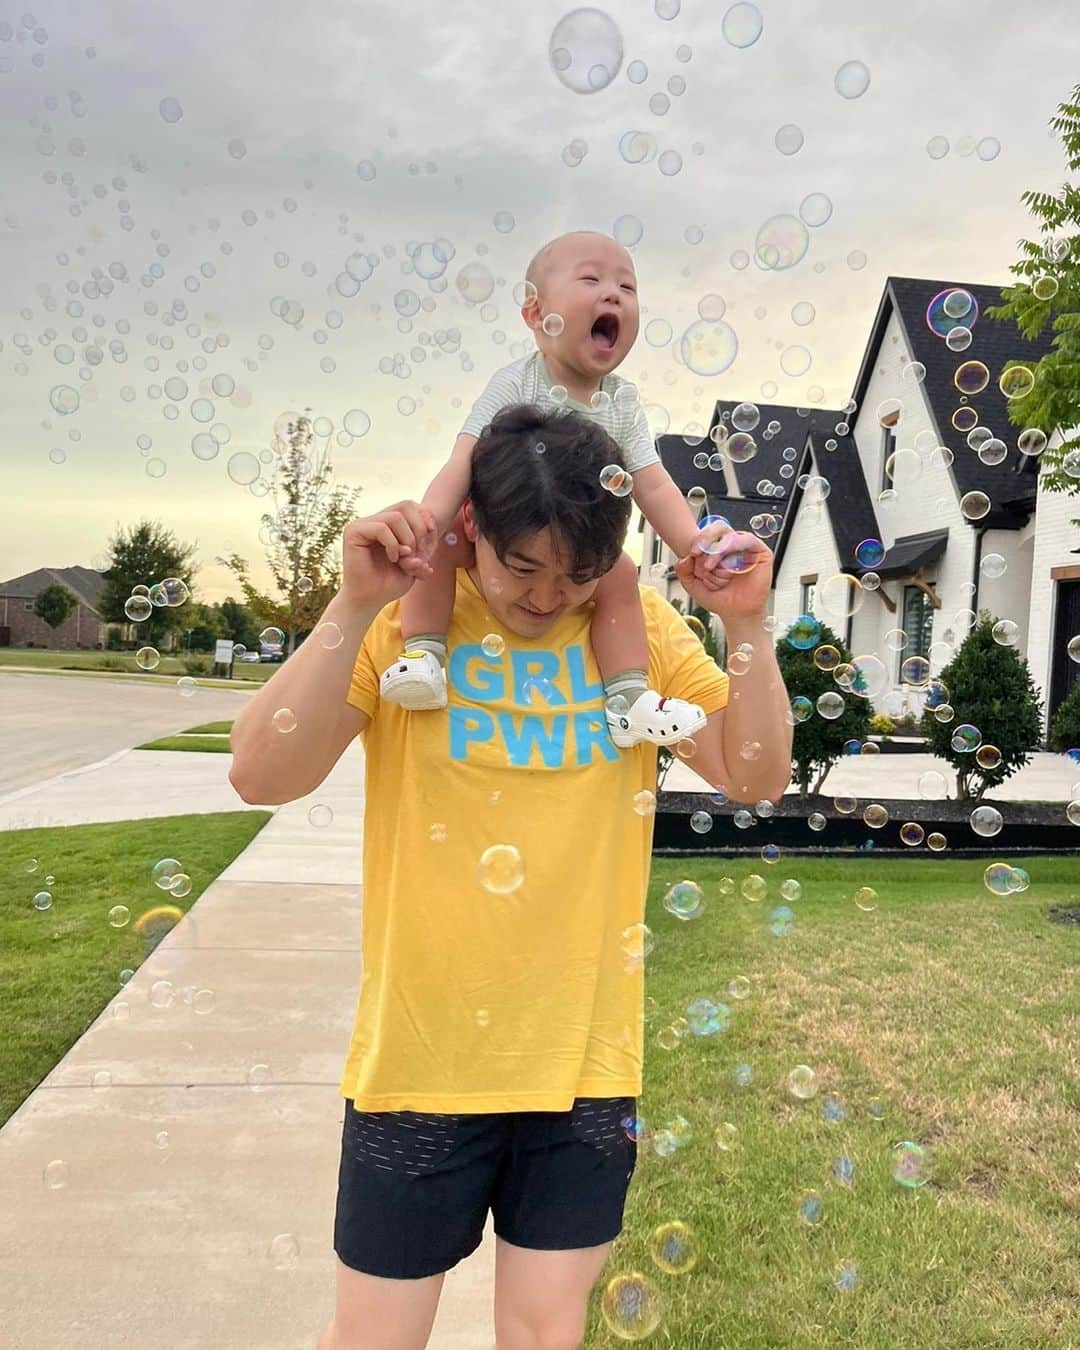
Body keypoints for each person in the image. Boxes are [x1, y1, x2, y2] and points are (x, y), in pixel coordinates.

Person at [228, 404, 793, 1350]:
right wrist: (353, 603)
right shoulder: (417, 627)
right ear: (473, 530)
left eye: (576, 575)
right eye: (522, 566)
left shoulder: (639, 630)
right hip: (419, 1062)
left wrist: (748, 625)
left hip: (581, 1068)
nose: (545, 597)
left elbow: (755, 773)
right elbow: (259, 774)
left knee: (543, 1337)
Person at [377, 229, 732, 751]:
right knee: (444, 545)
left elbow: (652, 482)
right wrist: (428, 523)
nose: (612, 293)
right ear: (535, 313)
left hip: (581, 542)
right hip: (505, 525)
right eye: (591, 279)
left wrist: (693, 547)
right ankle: (424, 655)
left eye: (626, 288)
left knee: (623, 573)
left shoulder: (623, 401)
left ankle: (627, 698)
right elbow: (464, 459)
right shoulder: (517, 381)